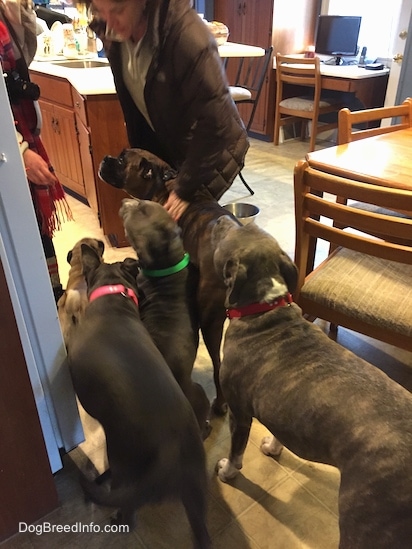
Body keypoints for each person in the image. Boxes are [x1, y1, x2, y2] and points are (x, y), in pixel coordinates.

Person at [87, 0, 249, 220]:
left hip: (211, 151)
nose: (110, 23)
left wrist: (185, 187)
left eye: (118, 11)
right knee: (166, 231)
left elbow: (215, 120)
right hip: (172, 148)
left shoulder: (186, 35)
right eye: (101, 11)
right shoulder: (114, 30)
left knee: (191, 233)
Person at [0, 0, 71, 301]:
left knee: (39, 229)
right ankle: (44, 303)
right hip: (11, 146)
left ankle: (53, 297)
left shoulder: (7, 14)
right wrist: (20, 149)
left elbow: (22, 58)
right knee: (25, 233)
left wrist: (21, 13)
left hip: (21, 130)